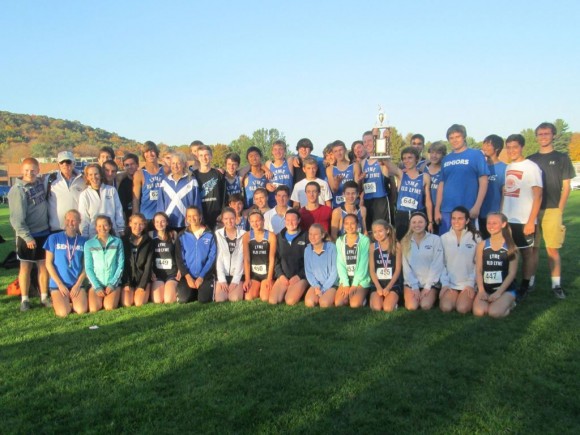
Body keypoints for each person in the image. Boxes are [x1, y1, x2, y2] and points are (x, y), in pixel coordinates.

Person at [528, 122, 576, 299]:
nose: (543, 137)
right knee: (532, 249)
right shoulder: (531, 159)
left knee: (552, 249)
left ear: (553, 135)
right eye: (540, 134)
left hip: (552, 210)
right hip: (533, 210)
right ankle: (530, 282)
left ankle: (556, 285)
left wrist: (559, 210)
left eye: (546, 134)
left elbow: (567, 186)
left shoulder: (562, 157)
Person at [502, 134, 542, 297]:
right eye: (509, 147)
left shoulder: (531, 167)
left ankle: (526, 285)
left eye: (515, 147)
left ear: (522, 147)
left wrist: (531, 221)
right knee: (509, 252)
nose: (512, 150)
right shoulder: (509, 167)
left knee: (527, 253)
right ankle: (510, 281)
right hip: (508, 218)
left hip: (524, 219)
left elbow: (538, 195)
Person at [8, 158, 51, 311]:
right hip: (28, 235)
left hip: (44, 232)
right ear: (22, 170)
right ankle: (25, 299)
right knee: (25, 267)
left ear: (38, 170)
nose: (30, 173)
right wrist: (27, 237)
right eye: (27, 170)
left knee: (43, 266)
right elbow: (16, 219)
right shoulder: (17, 190)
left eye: (33, 170)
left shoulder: (40, 183)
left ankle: (44, 296)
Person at [435, 124, 489, 235]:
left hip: (468, 209)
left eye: (457, 136)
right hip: (447, 210)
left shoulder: (476, 155)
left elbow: (483, 181)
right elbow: (441, 184)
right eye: (451, 138)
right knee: (446, 244)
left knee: (468, 244)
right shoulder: (446, 159)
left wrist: (477, 206)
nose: (455, 140)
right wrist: (437, 210)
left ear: (464, 137)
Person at [473, 212, 518, 318]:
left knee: (494, 313)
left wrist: (498, 293)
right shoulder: (482, 245)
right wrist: (481, 290)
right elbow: (479, 270)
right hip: (487, 288)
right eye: (489, 223)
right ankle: (493, 300)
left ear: (503, 224)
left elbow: (512, 273)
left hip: (504, 289)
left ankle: (511, 302)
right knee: (479, 312)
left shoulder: (511, 246)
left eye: (495, 223)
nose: (491, 226)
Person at [44, 209, 88, 317]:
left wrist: (78, 285)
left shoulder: (84, 241)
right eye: (68, 220)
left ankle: (71, 300)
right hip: (58, 284)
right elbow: (48, 263)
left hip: (75, 284)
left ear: (79, 221)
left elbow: (86, 266)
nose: (70, 223)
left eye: (74, 220)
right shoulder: (54, 238)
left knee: (81, 310)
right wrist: (60, 284)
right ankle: (62, 300)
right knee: (63, 313)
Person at [384, 147, 433, 240]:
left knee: (419, 242)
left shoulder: (425, 177)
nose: (407, 161)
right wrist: (384, 141)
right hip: (402, 215)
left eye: (410, 157)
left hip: (418, 214)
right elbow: (386, 162)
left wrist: (430, 222)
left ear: (417, 159)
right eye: (404, 158)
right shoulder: (401, 175)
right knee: (401, 243)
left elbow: (428, 201)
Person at [439, 206, 481, 314]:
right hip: (450, 283)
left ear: (467, 220)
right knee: (446, 308)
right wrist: (445, 284)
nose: (456, 221)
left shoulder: (476, 238)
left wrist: (471, 284)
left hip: (468, 283)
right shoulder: (443, 238)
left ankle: (471, 296)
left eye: (460, 218)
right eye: (453, 218)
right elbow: (441, 264)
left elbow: (478, 264)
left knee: (462, 309)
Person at [401, 212, 444, 311]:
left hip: (430, 283)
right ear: (410, 224)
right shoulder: (405, 241)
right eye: (414, 222)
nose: (417, 225)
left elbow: (437, 264)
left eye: (420, 222)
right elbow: (406, 267)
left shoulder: (435, 239)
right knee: (412, 307)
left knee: (425, 306)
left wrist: (428, 286)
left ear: (426, 223)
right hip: (411, 283)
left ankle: (432, 296)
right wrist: (414, 286)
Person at [175, 206, 216, 303]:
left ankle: (202, 290)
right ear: (186, 218)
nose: (192, 218)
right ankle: (191, 291)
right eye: (189, 216)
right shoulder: (182, 235)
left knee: (204, 300)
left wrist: (201, 277)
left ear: (200, 217)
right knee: (183, 300)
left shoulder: (210, 234)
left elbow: (212, 257)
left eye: (195, 216)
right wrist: (188, 277)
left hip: (205, 275)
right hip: (188, 275)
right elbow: (180, 258)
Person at [85, 215, 123, 312]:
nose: (102, 228)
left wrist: (112, 284)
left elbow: (120, 265)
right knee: (94, 309)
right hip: (96, 285)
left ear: (110, 226)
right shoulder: (89, 244)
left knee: (109, 307)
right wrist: (97, 287)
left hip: (113, 284)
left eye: (105, 225)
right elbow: (88, 268)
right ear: (96, 227)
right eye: (99, 226)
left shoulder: (117, 242)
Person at [270, 209, 309, 305]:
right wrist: (280, 275)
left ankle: (302, 288)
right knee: (273, 301)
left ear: (299, 220)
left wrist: (299, 276)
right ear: (284, 221)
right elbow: (276, 260)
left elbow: (310, 262)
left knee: (290, 301)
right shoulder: (279, 237)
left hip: (301, 276)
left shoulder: (306, 236)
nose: (290, 223)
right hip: (284, 276)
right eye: (287, 220)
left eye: (293, 220)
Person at [157, 152, 202, 231]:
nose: (175, 166)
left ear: (184, 164)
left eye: (178, 163)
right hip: (168, 224)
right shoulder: (165, 182)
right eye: (173, 163)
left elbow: (196, 203)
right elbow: (161, 205)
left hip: (187, 224)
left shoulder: (192, 181)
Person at [78, 164, 125, 237]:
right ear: (87, 177)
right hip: (94, 234)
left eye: (96, 174)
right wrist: (84, 235)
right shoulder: (84, 195)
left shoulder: (111, 190)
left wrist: (120, 228)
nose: (94, 177)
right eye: (90, 175)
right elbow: (84, 217)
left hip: (111, 232)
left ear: (101, 175)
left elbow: (118, 211)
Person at [335, 214, 371, 308]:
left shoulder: (364, 240)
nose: (349, 226)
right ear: (343, 225)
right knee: (339, 303)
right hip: (346, 278)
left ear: (357, 224)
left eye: (352, 223)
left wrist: (354, 285)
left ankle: (363, 298)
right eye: (346, 223)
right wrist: (346, 284)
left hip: (360, 280)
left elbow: (363, 265)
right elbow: (340, 263)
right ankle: (351, 296)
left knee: (354, 304)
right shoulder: (340, 240)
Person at [45, 150, 85, 232]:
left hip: (77, 228)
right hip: (57, 228)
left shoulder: (83, 180)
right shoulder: (50, 180)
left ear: (74, 163)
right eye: (62, 162)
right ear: (58, 164)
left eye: (68, 161)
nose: (65, 164)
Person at [361, 130, 392, 229]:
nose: (367, 144)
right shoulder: (363, 162)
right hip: (367, 200)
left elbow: (387, 175)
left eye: (369, 141)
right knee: (370, 229)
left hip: (380, 199)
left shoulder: (382, 159)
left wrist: (386, 139)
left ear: (376, 141)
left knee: (382, 228)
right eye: (364, 142)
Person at [243, 210, 277, 301]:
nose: (255, 224)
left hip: (267, 274)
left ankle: (264, 287)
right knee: (248, 297)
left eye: (258, 221)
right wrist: (247, 279)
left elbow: (272, 258)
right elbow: (246, 259)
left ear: (263, 221)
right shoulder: (246, 236)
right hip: (254, 274)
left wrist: (269, 278)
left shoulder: (271, 236)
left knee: (265, 298)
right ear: (249, 222)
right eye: (252, 221)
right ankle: (258, 287)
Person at [369, 220, 402, 312]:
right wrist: (378, 287)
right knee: (376, 308)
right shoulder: (372, 246)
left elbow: (398, 269)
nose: (377, 234)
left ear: (387, 230)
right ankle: (371, 299)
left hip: (392, 283)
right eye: (375, 232)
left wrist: (388, 287)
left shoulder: (396, 245)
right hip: (378, 283)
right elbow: (371, 270)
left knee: (387, 308)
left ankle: (394, 301)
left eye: (380, 231)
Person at [121, 213, 153, 307]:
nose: (137, 227)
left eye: (141, 224)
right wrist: (126, 283)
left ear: (144, 225)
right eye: (135, 223)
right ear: (130, 223)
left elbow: (148, 265)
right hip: (128, 279)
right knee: (127, 303)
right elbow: (122, 264)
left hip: (142, 278)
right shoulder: (123, 241)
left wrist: (142, 285)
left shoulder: (148, 241)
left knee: (139, 303)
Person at [215, 207, 246, 303]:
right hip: (223, 273)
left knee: (235, 298)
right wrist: (222, 279)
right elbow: (218, 258)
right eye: (226, 219)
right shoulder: (217, 234)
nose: (229, 221)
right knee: (220, 299)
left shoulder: (243, 234)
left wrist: (235, 281)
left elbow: (242, 258)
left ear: (236, 218)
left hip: (238, 274)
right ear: (222, 220)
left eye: (232, 218)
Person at [304, 224, 338, 308]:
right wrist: (316, 286)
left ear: (322, 235)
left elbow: (335, 272)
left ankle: (332, 297)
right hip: (316, 285)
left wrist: (324, 289)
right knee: (309, 303)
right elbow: (308, 272)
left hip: (331, 284)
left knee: (324, 304)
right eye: (310, 234)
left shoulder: (331, 248)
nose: (312, 237)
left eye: (316, 234)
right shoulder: (307, 250)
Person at [479, 135, 506, 239]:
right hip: (479, 213)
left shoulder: (503, 168)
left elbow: (504, 192)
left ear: (497, 148)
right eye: (484, 144)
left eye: (488, 145)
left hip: (494, 213)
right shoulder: (480, 166)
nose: (484, 147)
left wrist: (501, 212)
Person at [193, 145, 226, 230]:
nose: (204, 158)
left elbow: (224, 195)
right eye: (201, 155)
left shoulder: (218, 174)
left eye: (206, 155)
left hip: (217, 218)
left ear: (211, 156)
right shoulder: (193, 176)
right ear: (197, 157)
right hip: (200, 218)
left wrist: (223, 213)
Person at [132, 141, 166, 222]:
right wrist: (135, 218)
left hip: (163, 216)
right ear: (143, 154)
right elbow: (135, 199)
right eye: (146, 152)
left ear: (156, 152)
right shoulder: (139, 174)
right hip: (147, 217)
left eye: (152, 151)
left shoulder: (165, 170)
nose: (150, 154)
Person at [150, 212, 179, 304]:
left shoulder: (173, 234)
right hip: (158, 275)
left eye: (163, 221)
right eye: (157, 222)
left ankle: (177, 291)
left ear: (167, 222)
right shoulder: (150, 235)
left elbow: (179, 254)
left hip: (172, 273)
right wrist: (150, 271)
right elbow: (148, 257)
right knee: (158, 300)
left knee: (168, 300)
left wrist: (180, 270)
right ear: (154, 223)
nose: (160, 224)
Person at [326, 140, 362, 208]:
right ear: (333, 153)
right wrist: (337, 183)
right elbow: (334, 190)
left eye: (340, 150)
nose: (338, 153)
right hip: (338, 204)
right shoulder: (330, 169)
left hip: (353, 204)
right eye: (335, 151)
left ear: (345, 150)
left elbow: (358, 189)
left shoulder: (355, 166)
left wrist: (360, 181)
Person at [425, 141, 447, 235]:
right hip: (425, 211)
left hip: (440, 211)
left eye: (438, 153)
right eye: (432, 152)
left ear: (443, 155)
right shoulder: (422, 168)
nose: (434, 155)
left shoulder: (445, 169)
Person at [265, 140, 294, 207]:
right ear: (272, 152)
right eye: (275, 149)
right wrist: (267, 186)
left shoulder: (289, 162)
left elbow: (296, 156)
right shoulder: (268, 164)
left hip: (287, 203)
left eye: (280, 149)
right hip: (272, 203)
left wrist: (295, 158)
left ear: (285, 151)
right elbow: (266, 182)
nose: (277, 152)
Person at [117, 153, 139, 222]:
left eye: (132, 164)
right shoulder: (122, 183)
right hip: (128, 220)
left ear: (137, 165)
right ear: (124, 167)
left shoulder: (144, 181)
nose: (130, 167)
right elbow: (122, 207)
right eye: (127, 165)